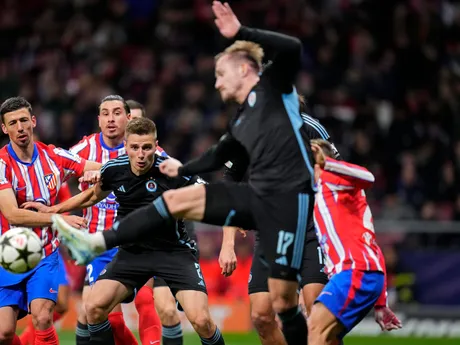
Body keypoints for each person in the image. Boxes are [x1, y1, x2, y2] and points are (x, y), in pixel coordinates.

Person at [52, 2, 320, 344]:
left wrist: (241, 34)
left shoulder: (276, 96)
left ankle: (97, 242)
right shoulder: (243, 118)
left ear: (244, 71)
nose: (217, 83)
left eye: (221, 74)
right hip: (260, 206)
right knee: (269, 311)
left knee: (283, 304)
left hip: (290, 206)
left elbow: (292, 49)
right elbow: (220, 156)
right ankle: (97, 242)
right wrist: (186, 168)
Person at [40, 118, 226, 345]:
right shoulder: (113, 169)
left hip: (173, 254)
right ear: (126, 146)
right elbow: (90, 196)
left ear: (155, 146)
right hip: (132, 254)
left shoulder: (173, 171)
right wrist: (54, 210)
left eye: (147, 147)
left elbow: (214, 197)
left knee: (202, 321)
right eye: (135, 147)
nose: (140, 154)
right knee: (94, 308)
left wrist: (233, 234)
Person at [221, 108, 337, 345]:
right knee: (261, 315)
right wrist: (227, 244)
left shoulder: (311, 128)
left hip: (311, 230)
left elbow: (339, 176)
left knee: (317, 312)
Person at [0, 96, 100, 345]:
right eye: (13, 123)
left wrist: (99, 171)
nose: (20, 127)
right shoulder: (2, 164)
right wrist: (60, 220)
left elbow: (99, 166)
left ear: (33, 121)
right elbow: (12, 214)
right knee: (4, 333)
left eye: (24, 120)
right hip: (8, 255)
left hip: (44, 253)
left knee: (43, 317)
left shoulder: (53, 155)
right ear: (4, 128)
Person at [307, 139, 402, 344]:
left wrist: (328, 164)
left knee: (314, 327)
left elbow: (368, 176)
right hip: (360, 273)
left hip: (356, 272)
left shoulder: (334, 179)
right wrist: (381, 303)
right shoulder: (324, 194)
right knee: (328, 338)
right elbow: (372, 247)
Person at [127, 97, 186, 345]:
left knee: (163, 307)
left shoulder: (164, 163)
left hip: (162, 243)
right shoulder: (108, 161)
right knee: (93, 310)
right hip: (119, 243)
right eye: (130, 120)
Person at [18, 183, 74, 345]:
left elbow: (67, 201)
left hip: (48, 245)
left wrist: (56, 218)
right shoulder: (10, 172)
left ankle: (29, 336)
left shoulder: (54, 173)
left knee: (61, 304)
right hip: (18, 245)